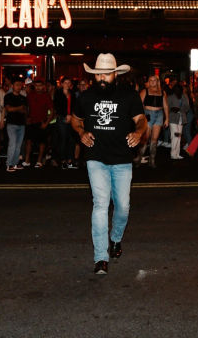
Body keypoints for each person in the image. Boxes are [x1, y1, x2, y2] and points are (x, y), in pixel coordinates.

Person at [71, 53, 146, 275]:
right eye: (98, 74)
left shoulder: (129, 95)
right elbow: (75, 120)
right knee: (101, 204)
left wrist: (139, 132)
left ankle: (116, 239)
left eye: (106, 74)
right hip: (96, 157)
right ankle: (101, 257)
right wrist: (81, 132)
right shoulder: (85, 96)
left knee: (122, 206)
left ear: (115, 74)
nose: (102, 78)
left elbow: (141, 120)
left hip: (122, 158)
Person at [139, 75, 169, 168]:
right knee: (145, 138)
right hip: (148, 115)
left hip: (159, 115)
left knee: (154, 140)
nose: (152, 82)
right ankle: (139, 158)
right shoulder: (145, 91)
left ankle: (152, 160)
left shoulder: (162, 92)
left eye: (154, 80)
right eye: (150, 80)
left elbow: (166, 106)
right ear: (148, 81)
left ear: (157, 81)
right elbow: (139, 105)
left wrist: (167, 118)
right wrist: (142, 117)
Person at [24, 79, 54, 168]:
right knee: (28, 141)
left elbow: (52, 111)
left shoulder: (46, 96)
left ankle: (39, 161)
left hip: (42, 122)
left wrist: (46, 123)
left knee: (42, 142)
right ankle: (27, 160)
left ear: (43, 86)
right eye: (36, 86)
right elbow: (26, 107)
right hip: (31, 121)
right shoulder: (30, 95)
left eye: (40, 86)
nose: (38, 87)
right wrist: (26, 118)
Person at [4, 79, 28, 172]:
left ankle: (15, 163)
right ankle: (9, 164)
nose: (18, 86)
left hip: (21, 123)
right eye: (16, 84)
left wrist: (16, 109)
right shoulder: (8, 96)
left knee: (18, 145)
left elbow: (25, 111)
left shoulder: (23, 98)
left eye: (20, 85)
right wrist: (19, 108)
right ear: (12, 86)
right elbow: (8, 109)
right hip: (11, 123)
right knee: (12, 144)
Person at [53, 77, 77, 169]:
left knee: (71, 140)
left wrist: (71, 115)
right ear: (62, 84)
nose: (67, 84)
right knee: (62, 139)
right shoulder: (58, 93)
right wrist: (66, 115)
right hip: (61, 118)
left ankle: (70, 161)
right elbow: (57, 106)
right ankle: (63, 161)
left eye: (69, 82)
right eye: (65, 82)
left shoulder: (73, 94)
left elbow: (75, 106)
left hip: (72, 119)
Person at [166, 83, 189, 160]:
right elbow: (166, 108)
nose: (178, 91)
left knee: (178, 137)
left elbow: (187, 108)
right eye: (176, 89)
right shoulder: (170, 97)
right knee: (175, 136)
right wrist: (172, 110)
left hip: (181, 118)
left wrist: (179, 109)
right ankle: (173, 154)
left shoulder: (184, 97)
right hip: (173, 118)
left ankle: (177, 153)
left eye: (179, 89)